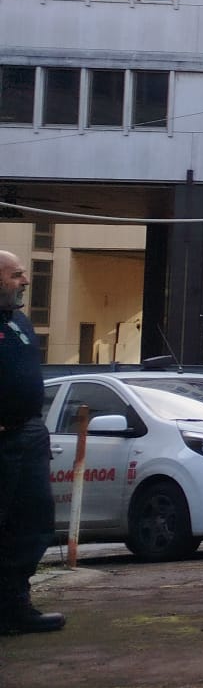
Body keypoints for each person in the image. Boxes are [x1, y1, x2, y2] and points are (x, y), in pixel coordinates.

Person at [0, 251, 62, 637]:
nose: (25, 281)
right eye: (16, 275)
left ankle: (14, 607)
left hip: (28, 433)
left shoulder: (19, 322)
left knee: (34, 523)